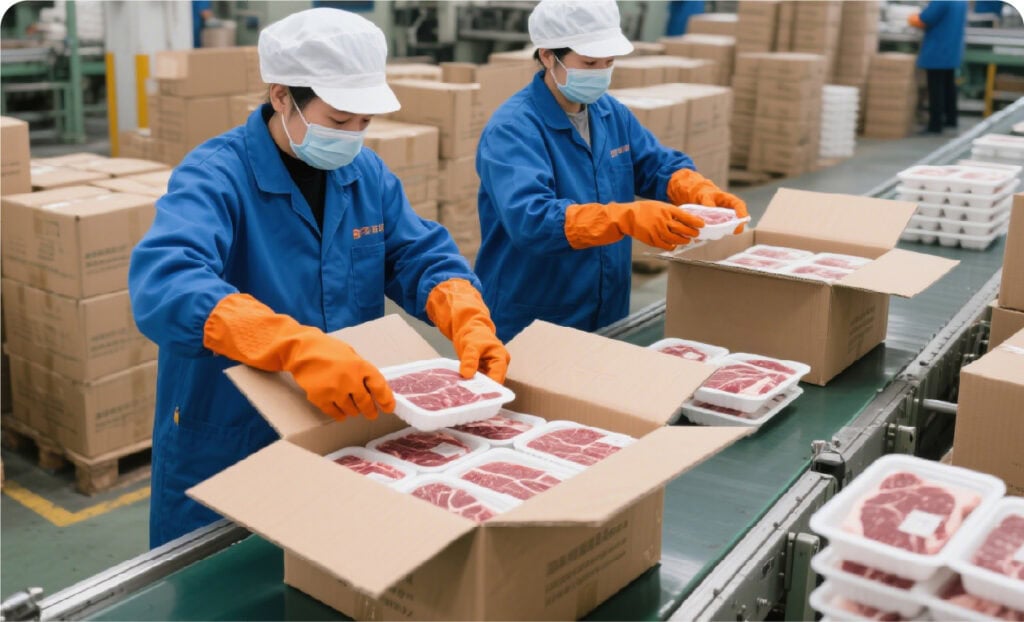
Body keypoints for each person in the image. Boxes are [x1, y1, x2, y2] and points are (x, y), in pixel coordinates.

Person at [129, 8, 509, 548]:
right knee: (222, 590)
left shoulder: (364, 173)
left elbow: (416, 253)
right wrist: (292, 348)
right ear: (282, 96)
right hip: (233, 435)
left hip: (343, 423)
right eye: (338, 121)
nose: (353, 136)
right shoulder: (215, 175)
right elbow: (166, 282)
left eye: (364, 123)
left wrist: (466, 315)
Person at [474, 0, 746, 342]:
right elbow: (533, 221)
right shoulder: (513, 129)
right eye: (589, 62)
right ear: (547, 55)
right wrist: (624, 219)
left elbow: (655, 164)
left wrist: (695, 189)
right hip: (535, 315)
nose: (600, 72)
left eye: (608, 62)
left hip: (607, 307)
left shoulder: (607, 112)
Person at [909, 1, 968, 134]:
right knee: (948, 86)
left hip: (938, 49)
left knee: (936, 88)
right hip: (952, 48)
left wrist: (911, 18)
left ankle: (935, 125)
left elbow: (925, 19)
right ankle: (951, 119)